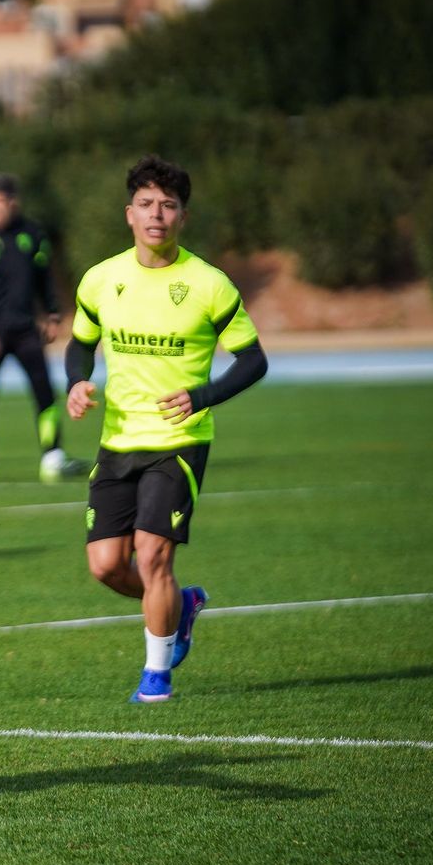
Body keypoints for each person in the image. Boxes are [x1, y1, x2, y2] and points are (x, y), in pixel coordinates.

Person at [65, 155, 268, 703]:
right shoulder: (102, 279)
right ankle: (182, 607)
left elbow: (253, 362)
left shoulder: (209, 285)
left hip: (178, 444)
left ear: (183, 216)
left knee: (153, 556)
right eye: (148, 205)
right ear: (129, 213)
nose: (158, 215)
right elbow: (80, 343)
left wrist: (201, 396)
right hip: (118, 442)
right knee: (107, 566)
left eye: (169, 206)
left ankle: (155, 679)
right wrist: (77, 382)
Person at [0, 173, 87, 485]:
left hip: (26, 331)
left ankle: (52, 457)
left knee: (43, 395)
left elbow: (44, 279)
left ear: (13, 203)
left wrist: (52, 313)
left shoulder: (32, 234)